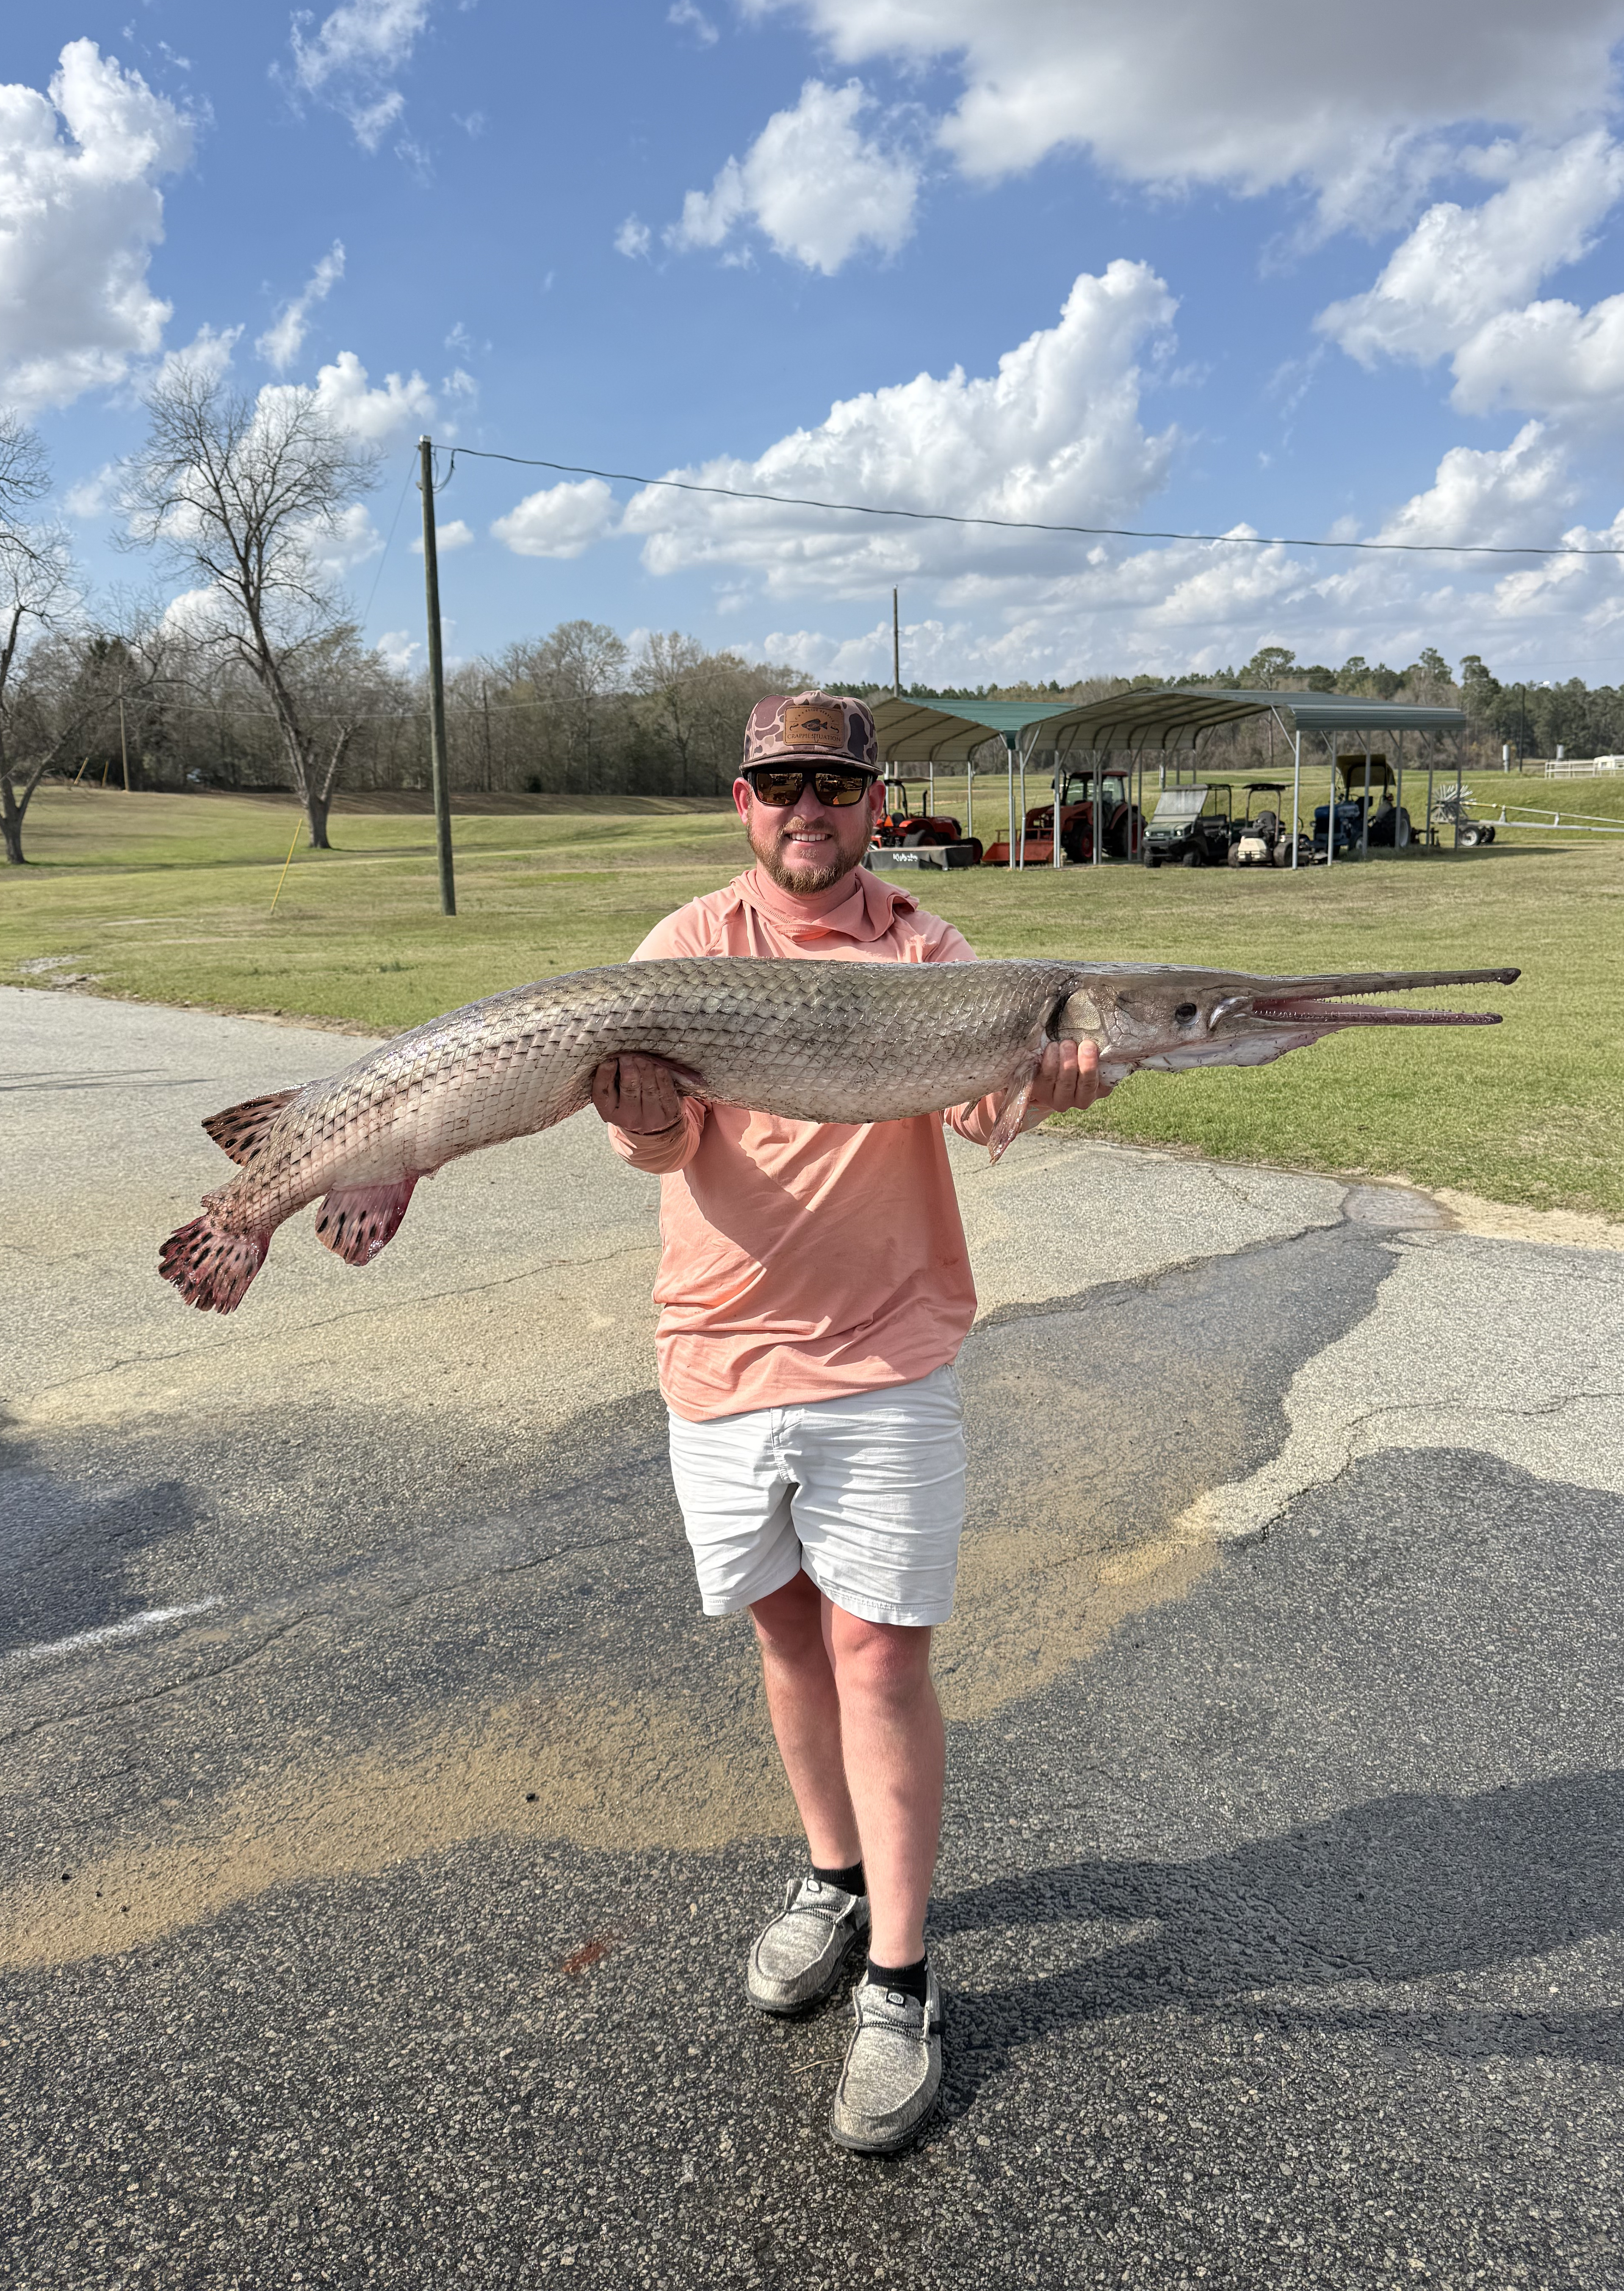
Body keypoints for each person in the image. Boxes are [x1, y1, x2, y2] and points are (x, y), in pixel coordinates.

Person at [591, 691, 1102, 2155]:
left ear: (876, 805)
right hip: (718, 1353)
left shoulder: (934, 956)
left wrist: (1051, 1082)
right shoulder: (685, 949)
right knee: (786, 1637)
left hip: (885, 1354)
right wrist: (635, 1116)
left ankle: (900, 1975)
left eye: (833, 787)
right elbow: (658, 1146)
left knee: (878, 1656)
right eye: (778, 788)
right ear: (740, 805)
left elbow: (983, 1117)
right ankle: (831, 1875)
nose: (805, 811)